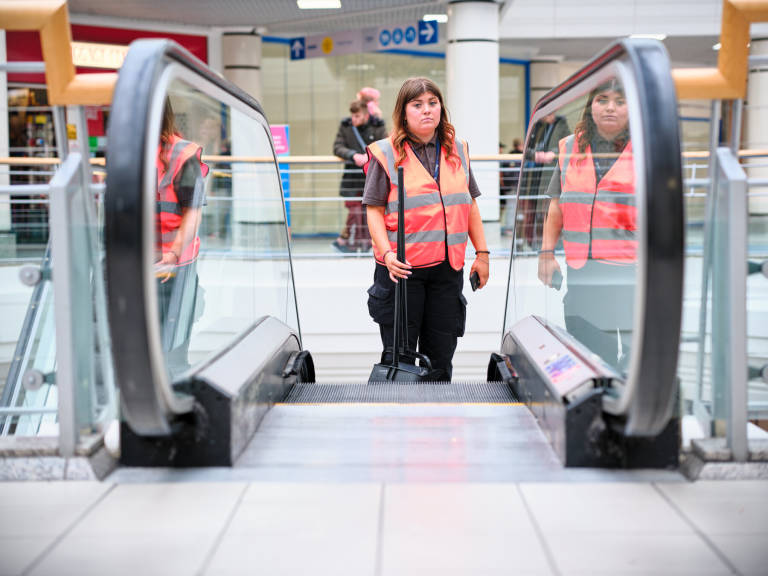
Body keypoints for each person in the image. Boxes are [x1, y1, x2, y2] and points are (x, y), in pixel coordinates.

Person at [363, 77, 490, 381]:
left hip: (447, 270)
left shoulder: (458, 149)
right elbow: (374, 211)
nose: (426, 111)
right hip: (402, 271)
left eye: (432, 103)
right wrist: (387, 253)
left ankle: (440, 425)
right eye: (417, 105)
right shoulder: (386, 153)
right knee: (401, 361)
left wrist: (482, 254)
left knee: (440, 360)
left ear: (441, 108)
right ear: (403, 112)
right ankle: (400, 425)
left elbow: (469, 204)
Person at [537, 79, 636, 372]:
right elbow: (557, 205)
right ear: (590, 105)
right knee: (590, 358)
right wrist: (546, 253)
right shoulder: (570, 147)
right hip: (584, 272)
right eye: (602, 99)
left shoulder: (649, 148)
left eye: (620, 101)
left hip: (632, 273)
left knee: (633, 362)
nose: (610, 108)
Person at [155, 100, 209, 376]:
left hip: (174, 269)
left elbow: (194, 212)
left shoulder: (182, 153)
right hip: (137, 266)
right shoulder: (128, 151)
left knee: (172, 357)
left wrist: (173, 253)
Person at [332, 99, 387, 252]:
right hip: (352, 179)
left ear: (365, 115)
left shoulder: (377, 126)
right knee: (356, 211)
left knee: (366, 211)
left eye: (357, 116)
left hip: (372, 177)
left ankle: (351, 241)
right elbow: (337, 147)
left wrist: (368, 158)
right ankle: (361, 243)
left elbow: (385, 146)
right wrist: (353, 155)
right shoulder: (346, 126)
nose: (353, 119)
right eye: (353, 116)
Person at [517, 113, 570, 247]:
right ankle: (533, 242)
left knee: (548, 211)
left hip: (550, 176)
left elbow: (567, 147)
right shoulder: (538, 127)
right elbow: (527, 150)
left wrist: (551, 154)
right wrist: (538, 156)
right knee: (533, 212)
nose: (549, 116)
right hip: (534, 177)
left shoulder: (561, 126)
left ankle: (546, 243)